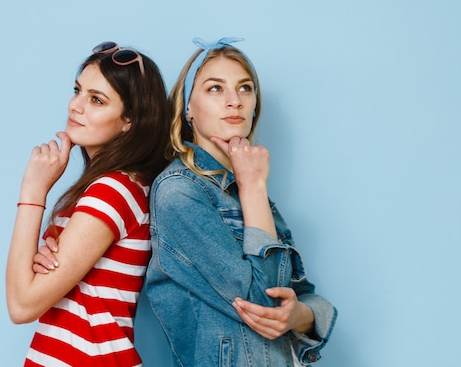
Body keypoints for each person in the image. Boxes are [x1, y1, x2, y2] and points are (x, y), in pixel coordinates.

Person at [143, 37, 337, 366]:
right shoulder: (179, 191)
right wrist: (254, 188)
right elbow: (262, 302)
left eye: (245, 88)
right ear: (188, 107)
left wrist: (299, 315)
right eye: (215, 89)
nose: (235, 101)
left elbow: (303, 296)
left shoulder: (248, 190)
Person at [5, 41, 170, 367]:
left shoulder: (114, 189)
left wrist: (33, 191)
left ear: (129, 121)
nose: (75, 106)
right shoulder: (113, 188)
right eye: (78, 90)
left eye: (96, 100)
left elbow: (21, 305)